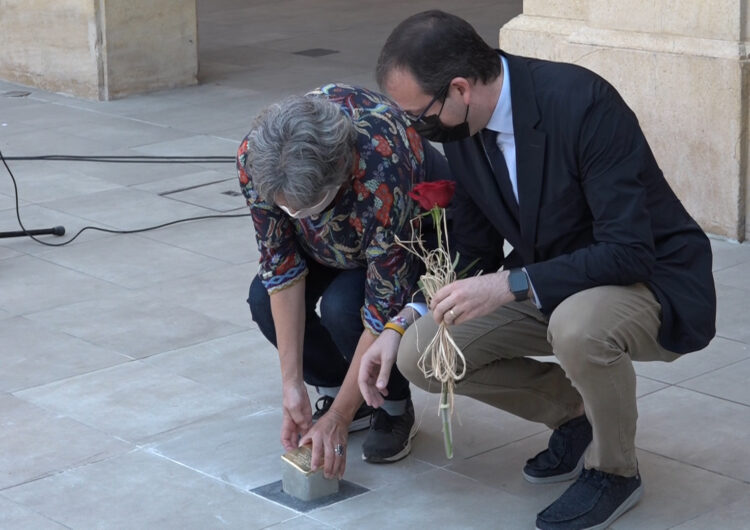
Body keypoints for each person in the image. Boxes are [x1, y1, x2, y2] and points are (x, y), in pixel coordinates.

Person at [358, 10, 716, 530]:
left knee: (578, 327)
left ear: (460, 88)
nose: (418, 129)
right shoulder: (462, 128)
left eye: (420, 114)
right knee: (423, 353)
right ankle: (574, 416)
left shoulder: (581, 103)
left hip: (650, 279)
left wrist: (511, 283)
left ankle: (614, 471)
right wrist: (403, 319)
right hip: (552, 278)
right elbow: (474, 247)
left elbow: (629, 250)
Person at [237, 83, 450, 480]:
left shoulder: (380, 164)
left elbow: (382, 304)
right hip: (326, 244)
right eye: (288, 207)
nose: (295, 213)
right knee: (263, 300)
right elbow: (279, 265)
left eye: (307, 206)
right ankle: (342, 387)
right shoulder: (258, 156)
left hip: (395, 236)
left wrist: (337, 417)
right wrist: (292, 385)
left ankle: (390, 403)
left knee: (342, 307)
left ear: (342, 172)